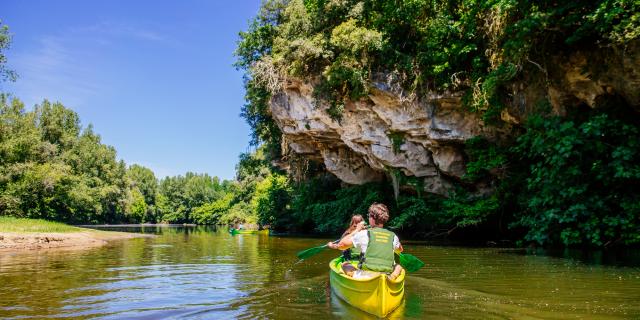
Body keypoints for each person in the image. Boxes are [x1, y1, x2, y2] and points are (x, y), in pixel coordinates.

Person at [327, 203, 404, 280]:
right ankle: (392, 277)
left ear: (372, 218)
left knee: (345, 264)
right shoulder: (394, 236)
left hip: (365, 276)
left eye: (369, 216)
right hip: (386, 275)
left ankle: (354, 275)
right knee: (398, 266)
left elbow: (341, 245)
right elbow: (400, 250)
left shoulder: (363, 233)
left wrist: (357, 230)